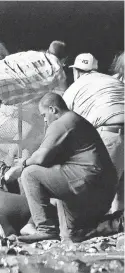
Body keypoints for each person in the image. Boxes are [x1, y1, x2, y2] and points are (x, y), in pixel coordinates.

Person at [18, 93, 118, 243]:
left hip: (88, 180)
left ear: (53, 109)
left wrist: (22, 164)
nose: (44, 120)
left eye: (44, 115)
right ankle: (117, 223)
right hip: (102, 187)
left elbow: (40, 158)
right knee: (71, 237)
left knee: (29, 174)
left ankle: (46, 229)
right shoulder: (76, 120)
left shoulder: (62, 122)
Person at [62, 53, 124, 213]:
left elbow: (61, 124)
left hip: (110, 133)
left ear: (76, 71)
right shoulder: (114, 81)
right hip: (118, 131)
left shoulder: (74, 88)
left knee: (98, 192)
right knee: (120, 191)